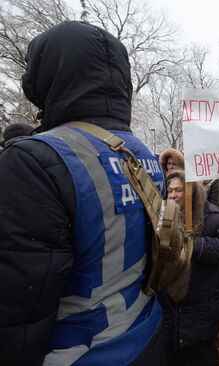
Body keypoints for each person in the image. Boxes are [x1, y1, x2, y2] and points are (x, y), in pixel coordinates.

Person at [0, 21, 165, 365]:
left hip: (81, 351)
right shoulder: (143, 153)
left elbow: (17, 310)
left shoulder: (35, 159)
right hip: (145, 331)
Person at [161, 170, 219, 366]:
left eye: (178, 190)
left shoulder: (211, 215)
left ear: (190, 191)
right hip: (170, 311)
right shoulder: (161, 217)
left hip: (201, 308)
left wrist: (195, 244)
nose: (173, 195)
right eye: (169, 190)